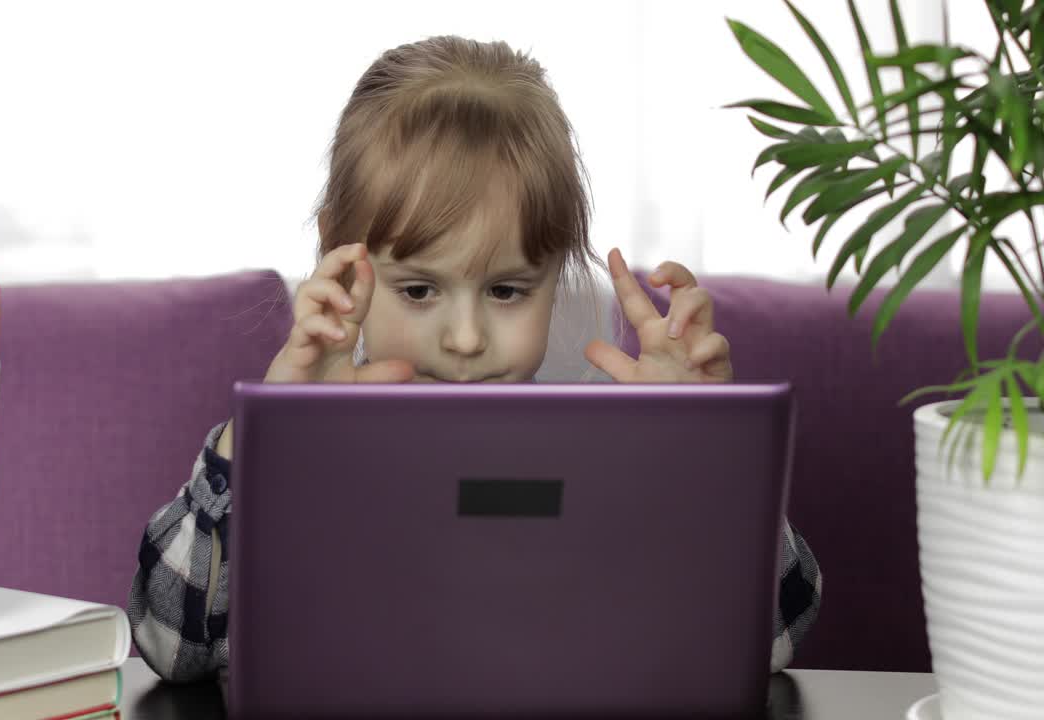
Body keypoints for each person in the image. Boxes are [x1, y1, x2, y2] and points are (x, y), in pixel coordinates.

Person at [127, 35, 821, 684]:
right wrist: (259, 441)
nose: (465, 339)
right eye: (420, 289)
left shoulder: (618, 457)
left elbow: (777, 638)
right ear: (341, 261)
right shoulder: (299, 456)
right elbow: (167, 644)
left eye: (507, 290)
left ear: (556, 275)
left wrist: (704, 456)